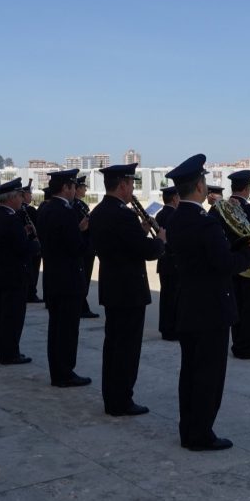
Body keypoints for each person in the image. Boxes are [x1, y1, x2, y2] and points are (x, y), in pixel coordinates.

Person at [165, 154, 250, 451]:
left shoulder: (176, 218)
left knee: (190, 372)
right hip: (212, 309)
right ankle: (201, 434)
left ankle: (188, 430)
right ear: (199, 186)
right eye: (204, 181)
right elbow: (225, 264)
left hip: (188, 305)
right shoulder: (205, 223)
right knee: (209, 375)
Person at [90, 163, 166, 415]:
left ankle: (112, 397)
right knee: (126, 349)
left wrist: (139, 232)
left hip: (113, 287)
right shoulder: (123, 215)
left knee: (114, 345)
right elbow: (146, 251)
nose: (132, 189)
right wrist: (160, 241)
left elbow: (123, 244)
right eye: (131, 184)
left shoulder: (99, 211)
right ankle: (121, 400)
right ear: (122, 185)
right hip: (129, 290)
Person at [36, 168, 92, 387]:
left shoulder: (46, 209)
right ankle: (65, 373)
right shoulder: (66, 212)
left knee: (56, 328)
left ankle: (57, 371)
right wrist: (84, 232)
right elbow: (75, 247)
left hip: (53, 277)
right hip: (69, 279)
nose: (75, 191)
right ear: (66, 188)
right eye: (73, 187)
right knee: (67, 330)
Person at [214, 169, 250, 360]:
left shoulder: (219, 208)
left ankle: (237, 342)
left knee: (236, 304)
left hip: (230, 263)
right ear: (247, 188)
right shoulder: (249, 210)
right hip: (249, 263)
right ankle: (245, 345)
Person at [0, 178, 40, 364]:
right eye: (19, 195)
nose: (21, 199)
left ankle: (6, 352)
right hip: (14, 274)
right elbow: (20, 248)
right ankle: (10, 354)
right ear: (10, 198)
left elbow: (9, 242)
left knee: (4, 315)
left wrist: (23, 233)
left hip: (3, 272)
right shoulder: (10, 219)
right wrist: (35, 244)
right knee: (12, 316)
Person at [155, 185, 180, 341]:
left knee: (166, 297)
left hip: (164, 261)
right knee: (174, 298)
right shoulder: (175, 215)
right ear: (174, 199)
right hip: (174, 262)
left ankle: (165, 328)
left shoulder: (160, 214)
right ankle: (172, 330)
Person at [73, 175, 100, 319]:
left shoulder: (81, 205)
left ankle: (82, 305)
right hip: (84, 247)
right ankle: (82, 307)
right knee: (83, 278)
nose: (85, 190)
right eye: (83, 187)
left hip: (88, 246)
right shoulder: (76, 206)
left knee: (85, 279)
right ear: (77, 189)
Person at [21, 183, 43, 303]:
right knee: (33, 271)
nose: (31, 196)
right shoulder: (29, 209)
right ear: (24, 195)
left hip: (25, 244)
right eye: (29, 194)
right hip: (32, 243)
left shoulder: (19, 209)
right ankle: (31, 293)